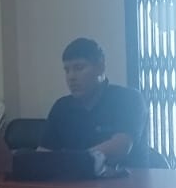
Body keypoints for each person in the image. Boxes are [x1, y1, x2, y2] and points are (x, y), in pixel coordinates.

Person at [39, 37, 149, 165]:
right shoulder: (61, 107)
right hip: (74, 177)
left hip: (128, 176)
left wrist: (72, 162)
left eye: (79, 68)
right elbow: (43, 154)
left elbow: (121, 146)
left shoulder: (128, 98)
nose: (71, 77)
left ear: (100, 67)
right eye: (67, 70)